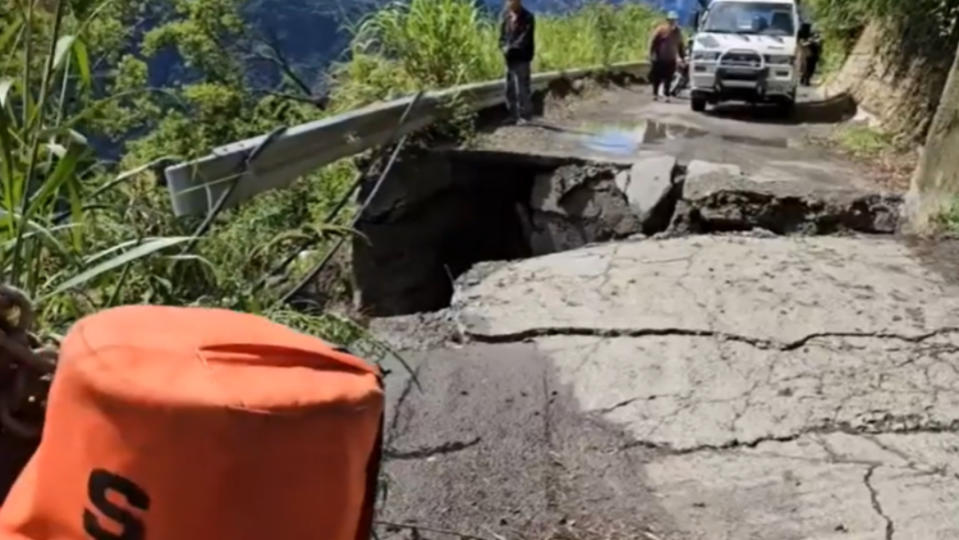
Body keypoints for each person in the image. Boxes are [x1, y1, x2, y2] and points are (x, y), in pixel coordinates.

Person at [500, 0, 535, 125]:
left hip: (522, 57)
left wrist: (511, 48)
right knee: (509, 88)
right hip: (509, 58)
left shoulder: (528, 17)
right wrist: (503, 47)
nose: (510, 3)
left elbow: (524, 38)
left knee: (522, 88)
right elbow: (502, 36)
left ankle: (525, 116)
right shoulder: (506, 16)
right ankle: (513, 115)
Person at [649, 11, 686, 103]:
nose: (673, 22)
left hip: (671, 59)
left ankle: (666, 94)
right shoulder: (661, 30)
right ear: (668, 21)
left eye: (674, 20)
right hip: (659, 58)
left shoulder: (678, 32)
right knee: (657, 77)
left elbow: (680, 46)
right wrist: (652, 54)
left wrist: (683, 57)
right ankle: (655, 94)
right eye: (671, 20)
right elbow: (653, 42)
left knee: (668, 78)